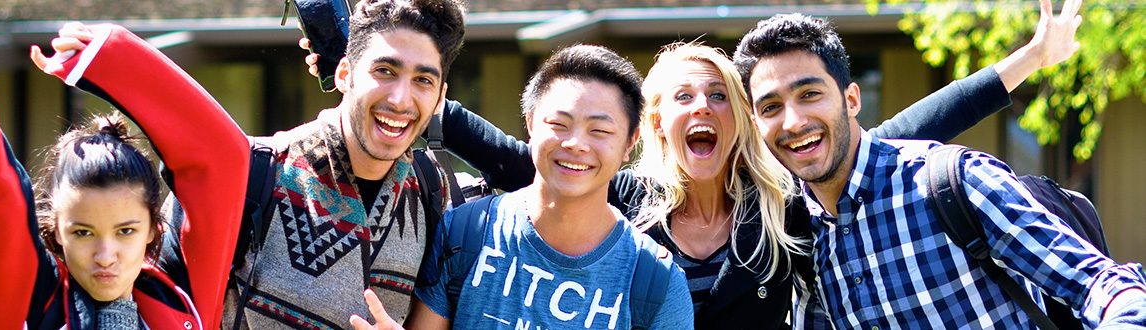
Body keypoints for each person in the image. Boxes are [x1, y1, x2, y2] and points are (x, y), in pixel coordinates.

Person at [321, 1, 1079, 327]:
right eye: (683, 96)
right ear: (656, 122)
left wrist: (1022, 65)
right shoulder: (623, 196)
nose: (703, 108)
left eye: (720, 94)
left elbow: (898, 131)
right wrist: (360, 64)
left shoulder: (781, 209)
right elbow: (507, 155)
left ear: (739, 116)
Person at [30, 0, 466, 328]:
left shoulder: (435, 193)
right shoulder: (257, 174)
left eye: (423, 80)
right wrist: (105, 55)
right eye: (385, 71)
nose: (400, 99)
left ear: (441, 96)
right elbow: (150, 289)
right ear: (345, 75)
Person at [732, 7, 1146, 329]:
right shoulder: (800, 234)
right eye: (771, 107)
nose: (793, 122)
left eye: (810, 94)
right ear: (756, 125)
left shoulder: (952, 183)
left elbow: (1101, 285)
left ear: (852, 100)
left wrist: (1035, 57)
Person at [0, 0, 246, 328]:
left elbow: (221, 156)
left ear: (155, 228)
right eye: (83, 233)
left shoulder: (182, 298)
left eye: (126, 231)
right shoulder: (29, 306)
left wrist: (108, 57)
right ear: (56, 231)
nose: (106, 256)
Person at [353, 44, 695, 330]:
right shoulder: (465, 233)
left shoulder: (656, 284)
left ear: (629, 143)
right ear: (530, 125)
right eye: (559, 124)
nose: (576, 144)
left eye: (599, 131)